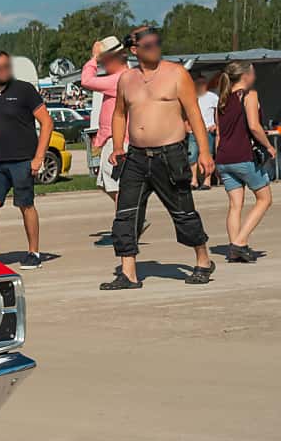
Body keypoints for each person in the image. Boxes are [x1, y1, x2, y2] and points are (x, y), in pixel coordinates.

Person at [103, 25, 215, 289]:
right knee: (126, 213)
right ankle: (129, 273)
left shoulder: (176, 74)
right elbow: (119, 114)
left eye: (157, 42)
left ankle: (203, 260)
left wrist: (205, 152)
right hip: (135, 157)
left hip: (170, 155)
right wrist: (117, 146)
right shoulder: (126, 79)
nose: (155, 48)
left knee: (183, 212)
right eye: (149, 45)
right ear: (134, 50)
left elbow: (194, 114)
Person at [0, 50, 54, 268]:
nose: (3, 71)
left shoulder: (24, 90)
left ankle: (34, 253)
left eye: (6, 66)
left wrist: (38, 157)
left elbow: (47, 123)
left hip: (22, 159)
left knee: (25, 205)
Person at [212, 60, 274, 263]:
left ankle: (234, 249)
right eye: (253, 73)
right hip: (243, 156)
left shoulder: (221, 101)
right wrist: (269, 146)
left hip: (224, 158)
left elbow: (219, 135)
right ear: (245, 76)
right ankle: (240, 242)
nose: (255, 77)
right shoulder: (249, 95)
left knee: (235, 205)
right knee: (264, 199)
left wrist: (217, 160)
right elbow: (254, 126)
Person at [80, 36, 129, 240]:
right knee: (107, 184)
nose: (102, 64)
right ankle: (127, 221)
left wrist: (93, 58)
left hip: (117, 140)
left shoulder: (119, 79)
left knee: (116, 186)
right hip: (112, 139)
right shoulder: (123, 77)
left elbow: (86, 80)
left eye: (104, 60)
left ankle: (125, 226)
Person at [190, 66, 220, 190]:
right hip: (192, 131)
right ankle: (194, 181)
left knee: (208, 155)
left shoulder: (213, 97)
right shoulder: (191, 96)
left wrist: (216, 126)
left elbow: (217, 114)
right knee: (192, 156)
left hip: (208, 130)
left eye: (203, 83)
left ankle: (207, 181)